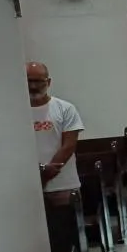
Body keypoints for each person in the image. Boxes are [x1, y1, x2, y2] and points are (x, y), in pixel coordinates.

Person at [27, 62, 84, 196]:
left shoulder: (65, 108)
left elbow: (68, 146)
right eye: (29, 81)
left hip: (62, 184)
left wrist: (46, 175)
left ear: (49, 82)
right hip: (27, 187)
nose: (33, 86)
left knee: (63, 216)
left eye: (38, 81)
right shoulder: (12, 111)